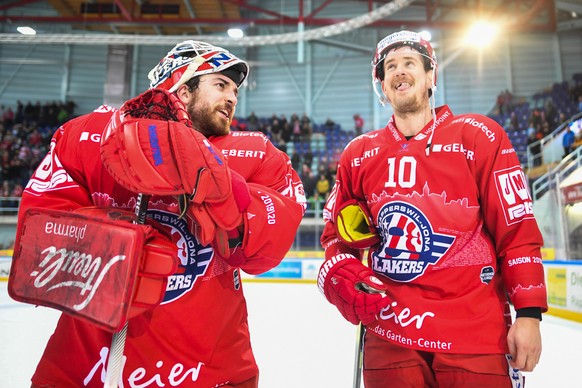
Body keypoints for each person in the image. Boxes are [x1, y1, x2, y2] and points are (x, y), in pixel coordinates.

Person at [13, 41, 306, 387]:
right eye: (220, 85)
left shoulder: (253, 152)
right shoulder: (92, 135)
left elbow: (271, 242)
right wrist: (111, 245)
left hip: (209, 367)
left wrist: (229, 192)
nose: (232, 97)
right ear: (183, 89)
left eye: (235, 90)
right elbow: (37, 236)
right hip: (90, 366)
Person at [317, 30, 547, 387]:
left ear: (430, 77)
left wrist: (529, 314)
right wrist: (338, 272)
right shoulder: (358, 154)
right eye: (389, 67)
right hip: (390, 333)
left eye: (409, 63)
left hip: (474, 333)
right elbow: (336, 237)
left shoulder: (478, 136)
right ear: (382, 84)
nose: (399, 72)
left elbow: (516, 229)